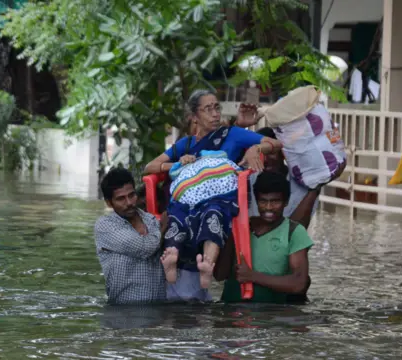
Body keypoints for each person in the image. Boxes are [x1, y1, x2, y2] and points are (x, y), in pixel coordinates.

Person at [143, 89, 282, 301]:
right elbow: (149, 167)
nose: (215, 114)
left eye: (217, 107)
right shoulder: (186, 144)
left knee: (213, 213)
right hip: (188, 201)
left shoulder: (232, 134)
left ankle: (206, 266)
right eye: (208, 109)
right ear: (194, 116)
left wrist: (256, 148)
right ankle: (173, 261)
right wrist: (177, 163)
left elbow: (276, 143)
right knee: (177, 215)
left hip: (218, 201)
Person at [215, 168, 341, 304]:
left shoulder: (293, 232)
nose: (268, 207)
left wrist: (252, 276)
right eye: (263, 201)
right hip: (232, 314)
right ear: (256, 201)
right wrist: (233, 233)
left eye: (275, 201)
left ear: (286, 202)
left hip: (271, 318)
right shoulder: (239, 227)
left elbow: (299, 283)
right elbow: (219, 275)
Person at [94, 168, 166, 304]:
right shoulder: (105, 226)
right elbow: (145, 248)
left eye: (131, 195)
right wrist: (164, 226)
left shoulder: (150, 220)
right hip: (123, 312)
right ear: (109, 203)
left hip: (157, 311)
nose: (129, 203)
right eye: (121, 198)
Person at [249, 127, 320, 219]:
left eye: (270, 152)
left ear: (283, 153)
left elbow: (297, 229)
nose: (265, 159)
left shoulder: (304, 184)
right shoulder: (247, 181)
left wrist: (313, 191)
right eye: (260, 154)